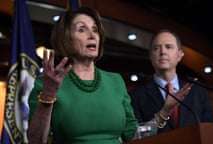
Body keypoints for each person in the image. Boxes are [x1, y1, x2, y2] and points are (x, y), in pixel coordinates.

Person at [27, 7, 137, 144]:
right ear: (66, 39)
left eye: (95, 30)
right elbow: (35, 141)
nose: (92, 35)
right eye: (82, 30)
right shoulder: (48, 83)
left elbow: (133, 135)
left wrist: (163, 115)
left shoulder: (116, 81)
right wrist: (48, 95)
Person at [129, 29, 213, 133]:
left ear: (179, 55)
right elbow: (136, 135)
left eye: (169, 47)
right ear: (150, 55)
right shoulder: (135, 97)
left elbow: (211, 131)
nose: (163, 52)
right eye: (156, 48)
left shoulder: (199, 93)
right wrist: (164, 112)